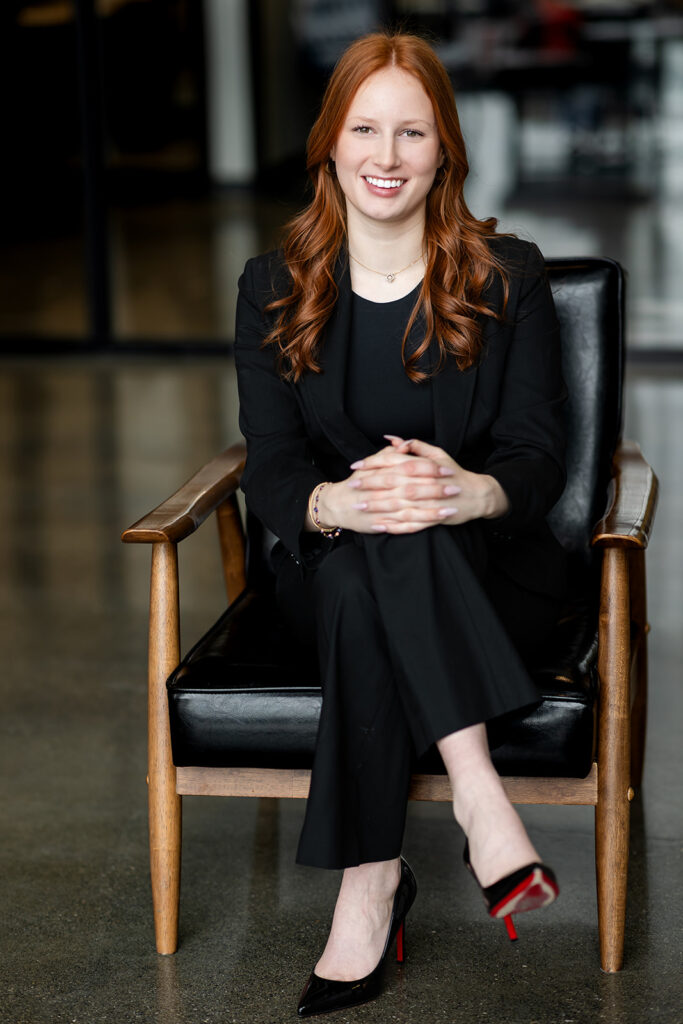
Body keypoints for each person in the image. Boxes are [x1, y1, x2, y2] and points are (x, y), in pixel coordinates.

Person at [234, 31, 567, 1018]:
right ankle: (480, 801)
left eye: (410, 132)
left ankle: (368, 883)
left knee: (404, 508)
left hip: (484, 571)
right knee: (369, 529)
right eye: (362, 128)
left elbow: (537, 454)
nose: (385, 155)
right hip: (330, 561)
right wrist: (336, 501)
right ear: (328, 143)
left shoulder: (508, 278)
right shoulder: (273, 286)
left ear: (443, 150)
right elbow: (275, 462)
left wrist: (465, 490)